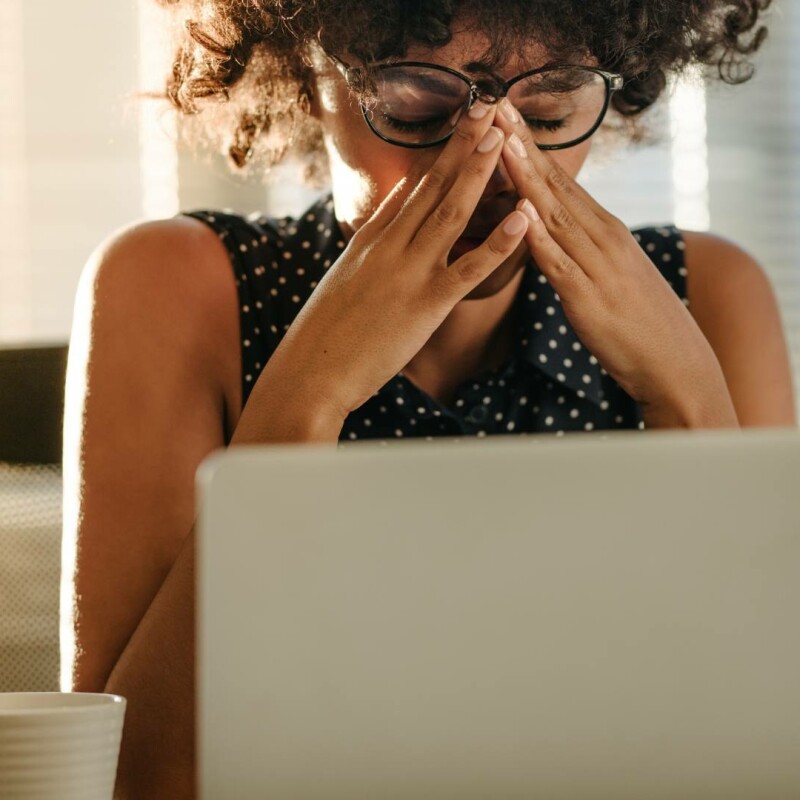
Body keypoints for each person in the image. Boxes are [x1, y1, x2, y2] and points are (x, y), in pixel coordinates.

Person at [63, 0, 795, 797]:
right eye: (416, 103)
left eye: (548, 112)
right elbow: (130, 777)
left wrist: (687, 398)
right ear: (309, 78)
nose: (493, 161)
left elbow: (761, 752)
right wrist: (312, 390)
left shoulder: (710, 297)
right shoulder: (174, 288)